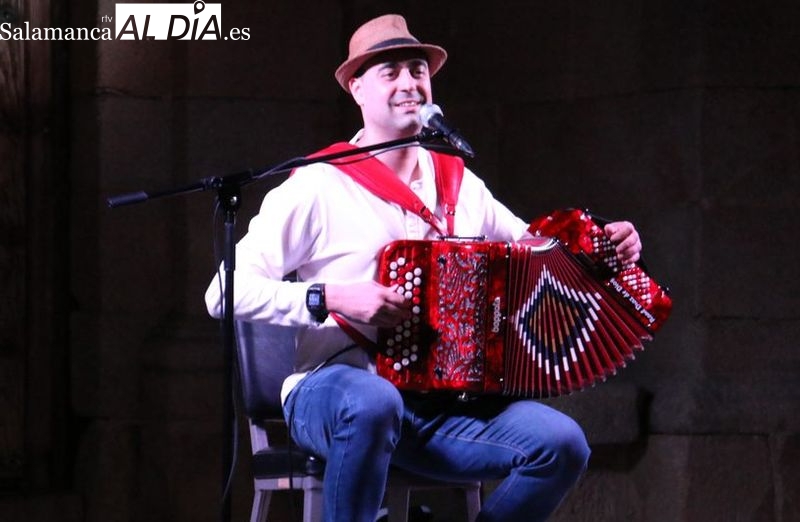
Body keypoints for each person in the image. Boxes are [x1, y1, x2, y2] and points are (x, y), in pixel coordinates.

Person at [205, 14, 642, 522]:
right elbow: (222, 292)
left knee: (561, 444)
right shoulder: (318, 185)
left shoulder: (461, 184)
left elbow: (539, 252)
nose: (409, 83)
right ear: (357, 89)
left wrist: (600, 247)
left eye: (417, 70)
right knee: (372, 402)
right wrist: (331, 297)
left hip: (435, 407)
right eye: (389, 72)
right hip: (333, 391)